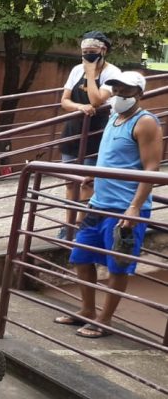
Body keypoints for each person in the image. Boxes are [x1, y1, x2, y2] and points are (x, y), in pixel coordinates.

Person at [55, 71, 162, 339]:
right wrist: (95, 175)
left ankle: (105, 319)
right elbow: (113, 157)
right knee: (81, 257)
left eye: (127, 91)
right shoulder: (114, 117)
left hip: (124, 207)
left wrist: (135, 208)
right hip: (99, 202)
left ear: (140, 94)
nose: (120, 95)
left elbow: (151, 168)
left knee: (118, 264)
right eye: (116, 90)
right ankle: (88, 310)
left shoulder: (146, 122)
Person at [58, 31, 121, 239]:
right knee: (70, 182)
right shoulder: (77, 70)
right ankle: (67, 225)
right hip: (73, 131)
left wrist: (92, 73)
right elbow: (65, 101)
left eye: (92, 52)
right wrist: (79, 107)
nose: (87, 56)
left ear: (103, 50)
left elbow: (96, 100)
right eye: (84, 52)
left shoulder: (113, 73)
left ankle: (80, 225)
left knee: (87, 182)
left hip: (97, 133)